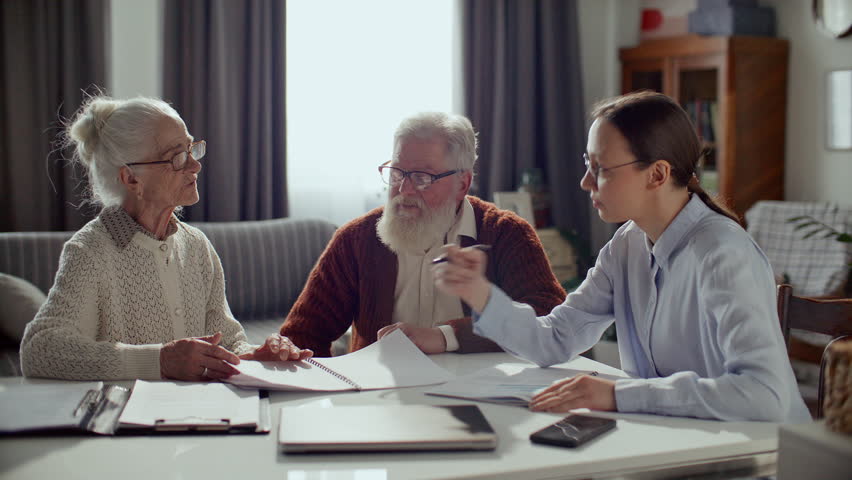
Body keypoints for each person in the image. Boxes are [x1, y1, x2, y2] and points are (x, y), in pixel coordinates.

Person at [433, 92, 811, 423]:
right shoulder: (627, 245)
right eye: (587, 163)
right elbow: (554, 339)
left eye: (600, 169)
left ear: (658, 174)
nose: (585, 182)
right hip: (679, 445)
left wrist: (617, 395)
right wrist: (480, 292)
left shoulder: (722, 253)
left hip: (760, 458)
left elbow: (765, 396)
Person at [20, 96, 309, 381]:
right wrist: (159, 360)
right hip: (127, 421)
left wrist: (257, 356)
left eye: (191, 149)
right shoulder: (90, 252)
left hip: (198, 419)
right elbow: (41, 348)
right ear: (132, 179)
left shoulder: (196, 246)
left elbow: (227, 344)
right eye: (177, 156)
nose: (195, 166)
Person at [271, 112, 565, 357]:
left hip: (482, 398)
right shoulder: (356, 240)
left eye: (423, 177)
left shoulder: (506, 234)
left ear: (462, 184)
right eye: (397, 173)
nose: (404, 190)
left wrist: (446, 336)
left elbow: (549, 318)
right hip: (379, 401)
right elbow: (303, 336)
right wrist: (285, 352)